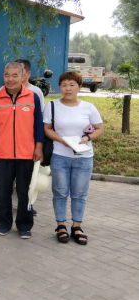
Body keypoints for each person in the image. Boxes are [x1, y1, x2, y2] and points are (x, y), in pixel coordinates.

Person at [44, 71, 104, 245]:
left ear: (79, 87)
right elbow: (47, 129)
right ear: (60, 87)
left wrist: (87, 138)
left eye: (72, 85)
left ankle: (77, 226)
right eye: (64, 85)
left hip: (84, 157)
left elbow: (99, 129)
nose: (67, 89)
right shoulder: (52, 106)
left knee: (79, 193)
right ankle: (61, 225)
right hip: (60, 156)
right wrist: (62, 140)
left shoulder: (88, 107)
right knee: (60, 192)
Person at [0, 62, 44, 239]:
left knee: (24, 192)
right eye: (7, 75)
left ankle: (24, 225)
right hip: (2, 154)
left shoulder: (32, 97)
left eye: (14, 75)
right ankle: (4, 224)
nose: (10, 79)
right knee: (3, 191)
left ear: (23, 76)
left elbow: (38, 125)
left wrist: (39, 146)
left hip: (26, 153)